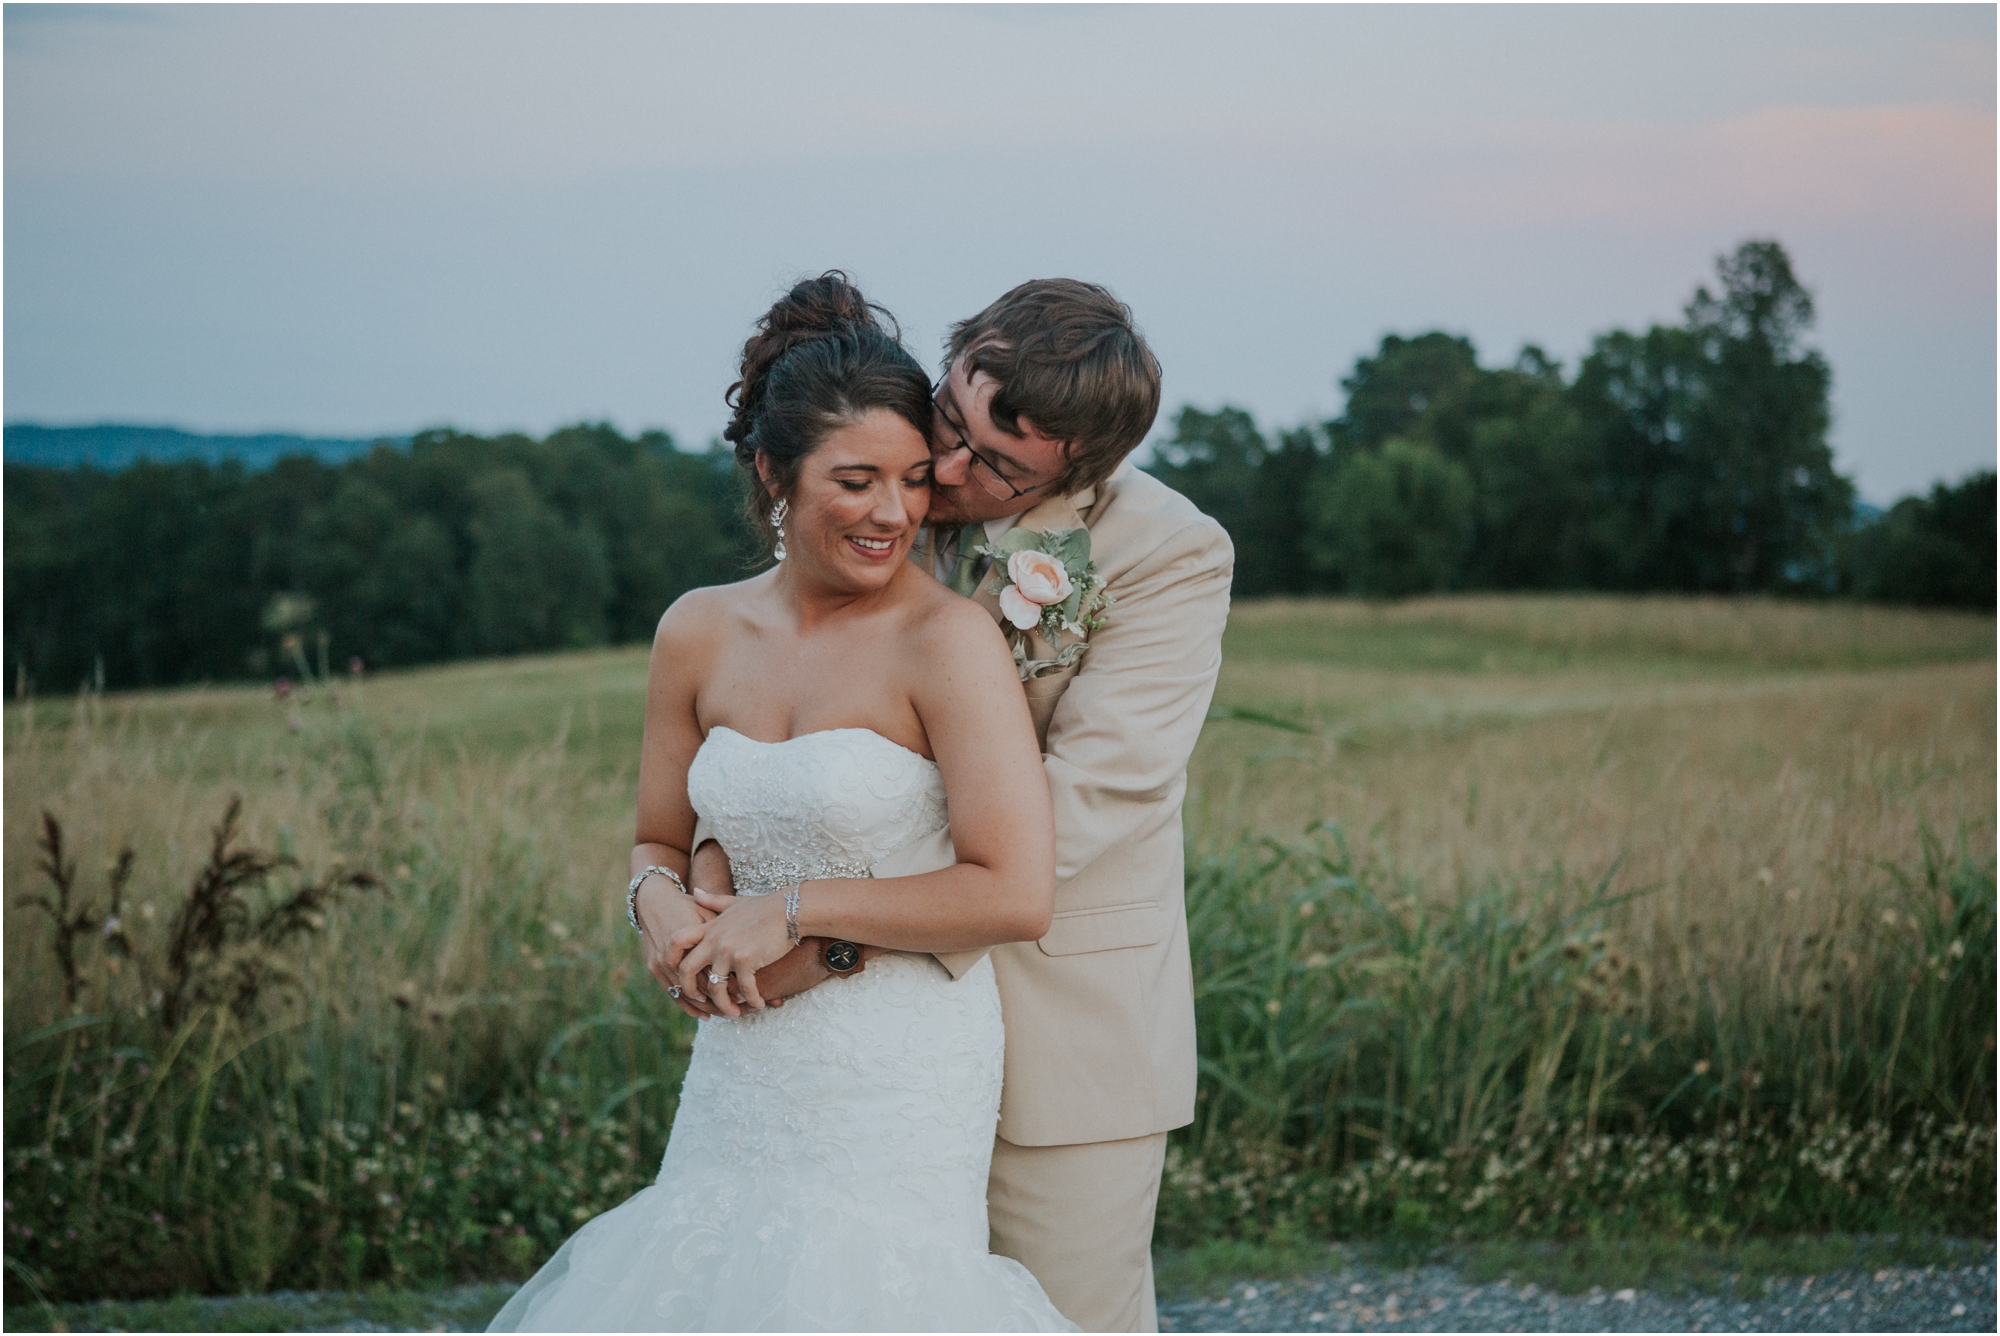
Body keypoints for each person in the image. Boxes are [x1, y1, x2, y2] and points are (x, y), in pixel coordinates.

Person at [487, 273, 1077, 1332]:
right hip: (742, 1065)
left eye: (909, 480)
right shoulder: (697, 632)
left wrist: (795, 906)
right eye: (854, 481)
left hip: (895, 1065)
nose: (891, 513)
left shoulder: (947, 642)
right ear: (771, 471)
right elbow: (655, 837)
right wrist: (656, 905)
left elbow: (1014, 891)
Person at [668, 279, 1235, 1331]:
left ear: (1081, 468)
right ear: (956, 361)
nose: (949, 475)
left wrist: (825, 933)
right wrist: (712, 854)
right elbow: (782, 708)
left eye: (999, 467)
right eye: (950, 426)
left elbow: (1088, 800)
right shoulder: (890, 491)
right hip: (864, 1065)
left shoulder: (1169, 553)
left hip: (1060, 1030)